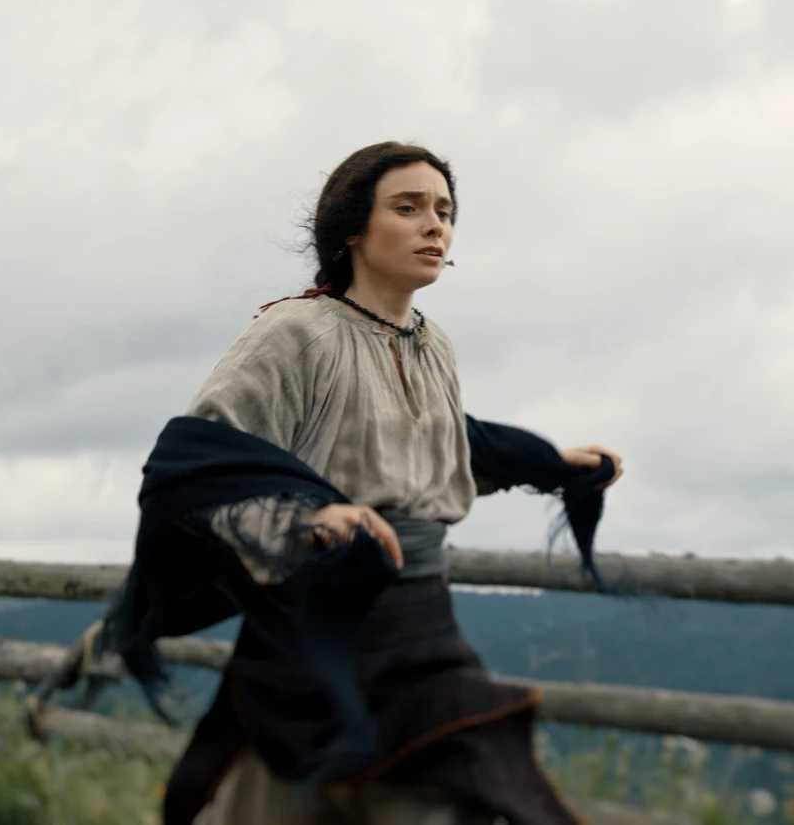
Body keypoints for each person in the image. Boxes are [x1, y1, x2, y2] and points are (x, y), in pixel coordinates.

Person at [98, 141, 624, 825]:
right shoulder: (295, 333)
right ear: (352, 229)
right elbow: (203, 465)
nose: (434, 226)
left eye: (444, 211)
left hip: (420, 631)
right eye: (408, 208)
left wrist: (550, 462)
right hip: (314, 629)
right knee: (276, 798)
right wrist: (310, 520)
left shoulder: (434, 344)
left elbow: (434, 448)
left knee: (458, 786)